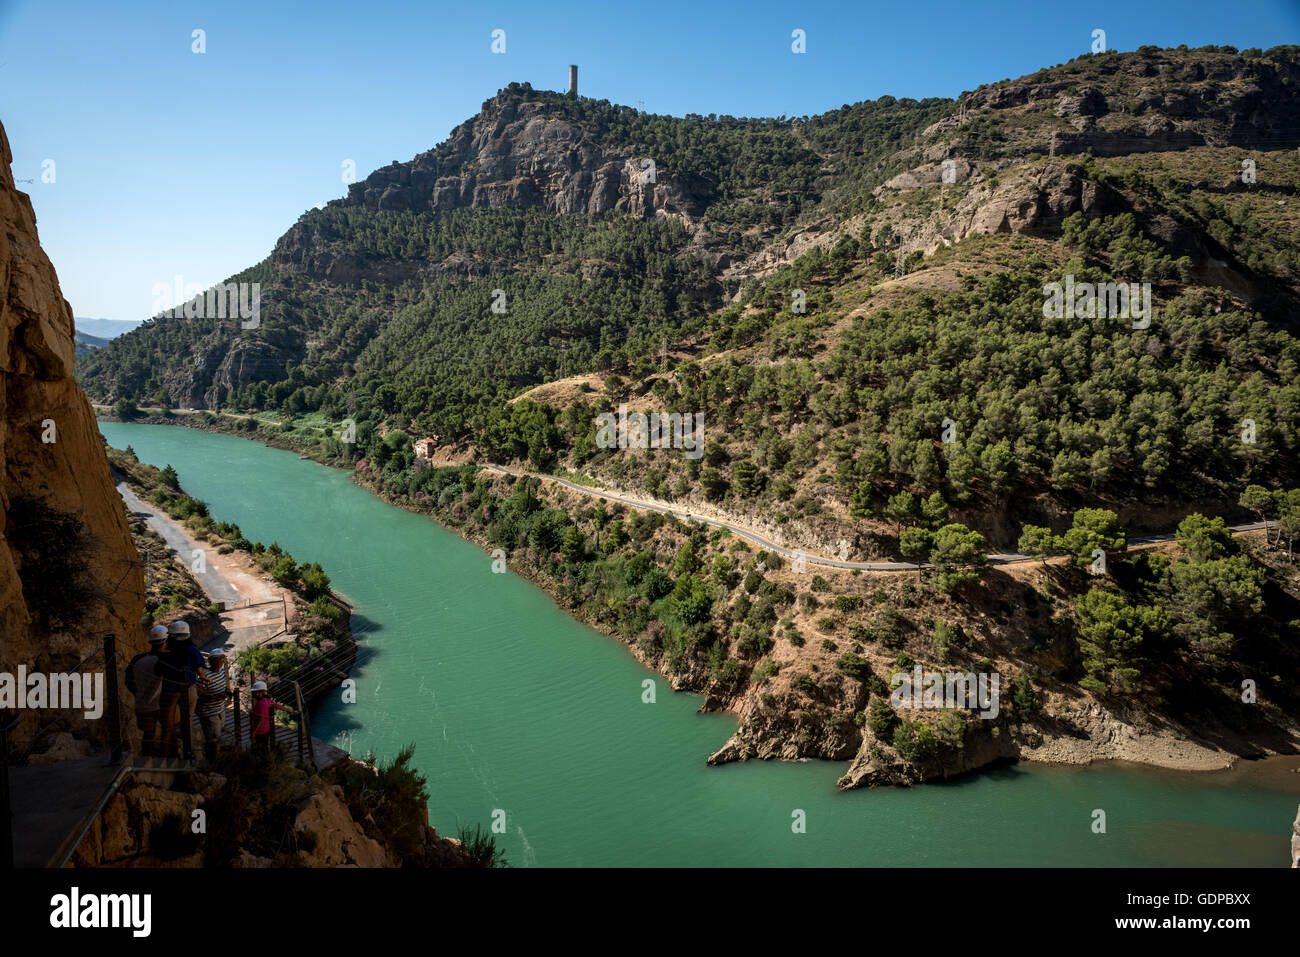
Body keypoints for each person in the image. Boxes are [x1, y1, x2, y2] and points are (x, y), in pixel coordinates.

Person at [158, 620, 207, 760]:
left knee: (168, 724)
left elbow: (159, 670)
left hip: (169, 689)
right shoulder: (191, 650)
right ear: (188, 634)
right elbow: (199, 669)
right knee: (188, 721)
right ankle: (188, 752)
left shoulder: (166, 651)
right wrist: (204, 677)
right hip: (188, 689)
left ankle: (166, 755)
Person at [124, 625, 167, 758]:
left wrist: (138, 694)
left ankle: (147, 758)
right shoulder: (166, 660)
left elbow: (128, 680)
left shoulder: (137, 660)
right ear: (166, 641)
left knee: (148, 734)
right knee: (169, 730)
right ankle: (167, 758)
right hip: (164, 704)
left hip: (143, 704)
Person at [196, 647, 232, 763]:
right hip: (208, 712)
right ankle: (212, 761)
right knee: (212, 739)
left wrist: (226, 692)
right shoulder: (205, 677)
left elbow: (223, 686)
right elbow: (197, 695)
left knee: (217, 736)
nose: (219, 663)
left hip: (220, 709)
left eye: (220, 661)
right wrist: (215, 697)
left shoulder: (221, 672)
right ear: (211, 662)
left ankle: (215, 758)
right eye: (216, 661)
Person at [248, 680, 296, 763]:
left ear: (260, 692)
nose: (252, 694)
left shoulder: (260, 704)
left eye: (254, 692)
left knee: (258, 750)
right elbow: (276, 705)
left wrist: (253, 732)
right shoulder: (267, 700)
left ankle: (262, 764)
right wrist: (288, 710)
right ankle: (267, 763)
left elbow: (260, 719)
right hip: (266, 730)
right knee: (264, 748)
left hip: (260, 732)